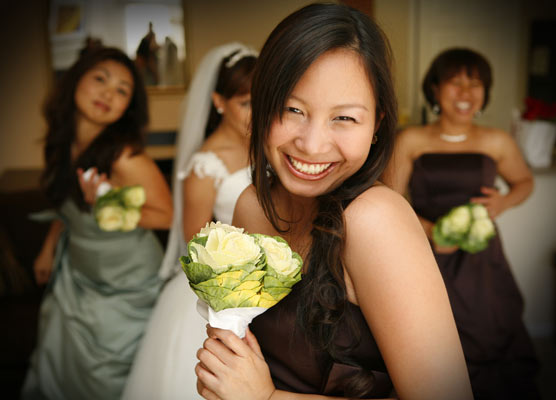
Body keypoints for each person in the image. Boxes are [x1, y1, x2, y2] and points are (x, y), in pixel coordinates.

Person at [194, 4, 473, 399]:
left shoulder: (375, 220)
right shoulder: (251, 205)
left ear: (377, 124)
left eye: (344, 119)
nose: (311, 144)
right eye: (292, 109)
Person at [382, 47, 540, 399]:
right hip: (426, 252)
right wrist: (431, 233)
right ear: (435, 90)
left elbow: (525, 183)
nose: (466, 93)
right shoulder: (411, 140)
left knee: (492, 329)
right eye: (455, 83)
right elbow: (390, 201)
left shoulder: (496, 140)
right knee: (434, 338)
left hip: (482, 258)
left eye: (475, 84)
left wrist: (502, 201)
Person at [21, 47, 173, 400]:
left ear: (127, 108)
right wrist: (47, 249)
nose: (108, 94)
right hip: (79, 270)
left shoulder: (125, 155)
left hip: (126, 276)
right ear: (76, 80)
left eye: (122, 90)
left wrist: (109, 203)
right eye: (100, 79)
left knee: (104, 376)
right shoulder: (60, 143)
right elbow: (66, 207)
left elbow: (166, 216)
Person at [121, 42, 257, 400]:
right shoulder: (204, 165)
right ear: (218, 101)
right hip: (221, 284)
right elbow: (196, 245)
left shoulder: (267, 145)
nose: (256, 112)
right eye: (245, 102)